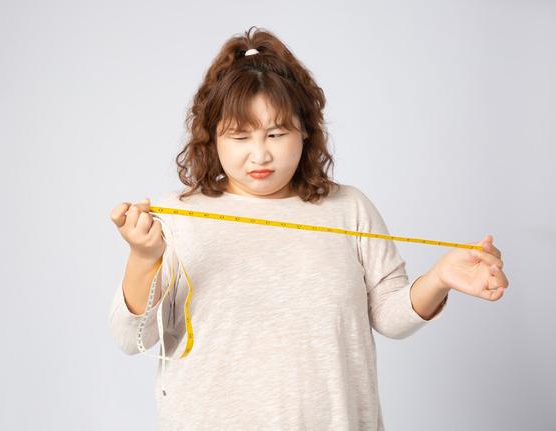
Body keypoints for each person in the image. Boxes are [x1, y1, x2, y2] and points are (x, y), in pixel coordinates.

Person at [108, 26, 509, 430]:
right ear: (212, 139)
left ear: (305, 130)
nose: (260, 154)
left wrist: (439, 278)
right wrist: (143, 257)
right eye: (240, 136)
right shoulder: (175, 217)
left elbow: (391, 317)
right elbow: (131, 338)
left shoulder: (349, 208)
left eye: (276, 134)